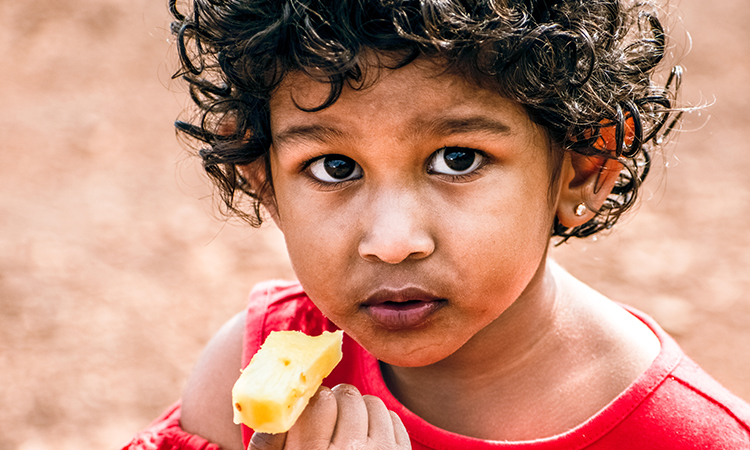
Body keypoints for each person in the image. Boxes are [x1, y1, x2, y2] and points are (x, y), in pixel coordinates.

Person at [123, 0, 750, 449]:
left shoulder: (688, 437)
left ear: (584, 167)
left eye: (458, 159)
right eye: (333, 166)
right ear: (265, 179)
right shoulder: (247, 380)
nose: (393, 242)